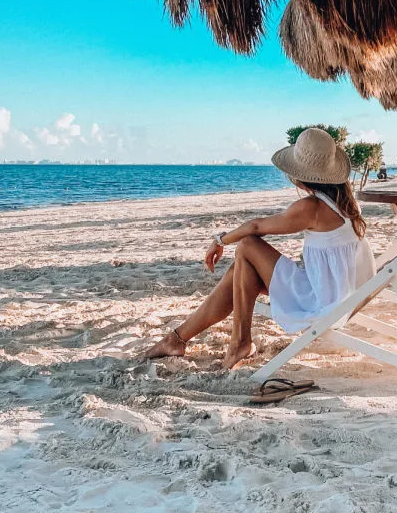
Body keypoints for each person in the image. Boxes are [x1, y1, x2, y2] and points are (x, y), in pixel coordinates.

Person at [141, 128, 375, 369]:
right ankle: (177, 339)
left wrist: (220, 240)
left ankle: (238, 342)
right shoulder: (344, 204)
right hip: (339, 294)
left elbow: (255, 227)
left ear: (298, 176)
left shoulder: (311, 208)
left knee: (247, 245)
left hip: (322, 302)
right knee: (239, 272)